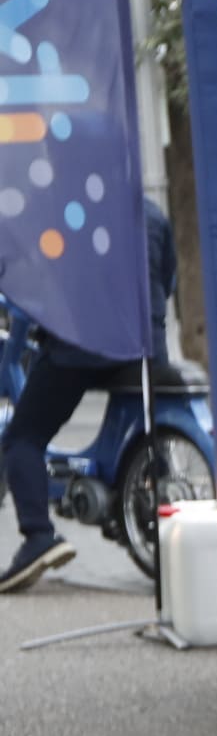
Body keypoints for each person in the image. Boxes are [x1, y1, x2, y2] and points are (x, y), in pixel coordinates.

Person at [2, 199, 177, 593]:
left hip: (84, 348)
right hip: (146, 348)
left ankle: (38, 537)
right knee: (145, 425)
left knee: (23, 438)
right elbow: (168, 281)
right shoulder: (151, 214)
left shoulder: (66, 211)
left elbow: (32, 275)